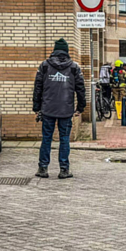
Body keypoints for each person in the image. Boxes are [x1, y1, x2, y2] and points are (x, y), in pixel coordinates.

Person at [32, 38, 86, 179]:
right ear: (67, 51)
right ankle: (64, 169)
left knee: (46, 139)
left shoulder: (44, 65)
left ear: (54, 51)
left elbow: (38, 87)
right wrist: (80, 107)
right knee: (64, 139)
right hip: (66, 109)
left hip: (48, 108)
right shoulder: (74, 67)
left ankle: (43, 168)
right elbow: (80, 89)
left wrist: (36, 107)